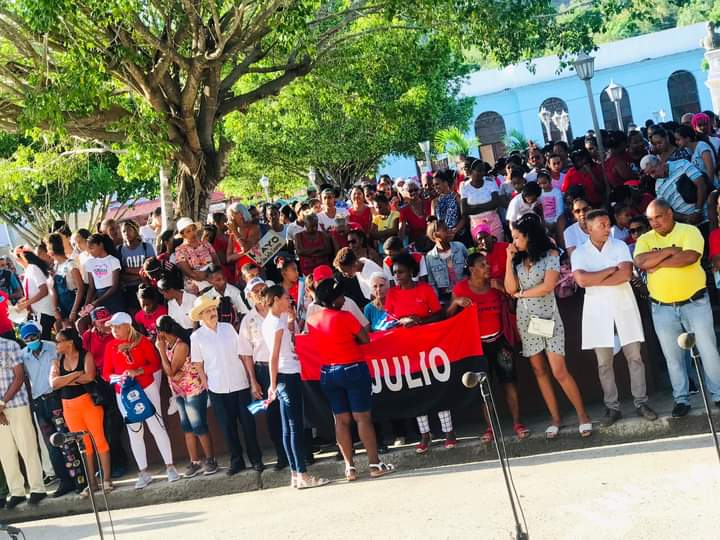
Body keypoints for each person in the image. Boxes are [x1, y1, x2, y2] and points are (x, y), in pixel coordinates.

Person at [504, 216, 592, 438]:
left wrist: (521, 294)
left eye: (517, 237)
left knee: (558, 370)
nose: (513, 241)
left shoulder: (551, 254)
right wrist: (508, 260)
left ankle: (583, 415)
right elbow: (509, 288)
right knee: (539, 370)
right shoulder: (516, 259)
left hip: (547, 318)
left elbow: (547, 286)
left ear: (529, 236)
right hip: (526, 320)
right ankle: (556, 419)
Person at [634, 199, 720, 416]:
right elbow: (641, 262)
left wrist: (658, 262)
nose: (654, 223)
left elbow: (689, 257)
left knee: (709, 351)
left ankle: (718, 394)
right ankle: (681, 399)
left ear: (670, 213)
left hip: (694, 303)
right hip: (662, 307)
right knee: (672, 357)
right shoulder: (645, 238)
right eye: (650, 219)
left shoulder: (689, 230)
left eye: (658, 217)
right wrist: (670, 251)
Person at [571, 210, 657, 427]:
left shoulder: (619, 246)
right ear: (589, 229)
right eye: (601, 225)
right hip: (597, 313)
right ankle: (612, 407)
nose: (607, 228)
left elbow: (625, 275)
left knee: (635, 357)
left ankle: (641, 402)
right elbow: (581, 280)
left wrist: (596, 278)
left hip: (623, 306)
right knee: (604, 364)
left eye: (608, 224)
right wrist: (609, 271)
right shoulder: (579, 253)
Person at [307, 279, 394, 480]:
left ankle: (350, 468)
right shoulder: (345, 317)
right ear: (334, 299)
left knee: (341, 420)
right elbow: (365, 338)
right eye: (340, 296)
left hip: (328, 372)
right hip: (353, 368)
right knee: (362, 418)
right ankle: (375, 464)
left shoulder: (312, 320)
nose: (344, 298)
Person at [448, 253, 529, 441]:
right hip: (477, 347)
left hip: (500, 341)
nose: (487, 267)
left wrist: (503, 289)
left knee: (509, 382)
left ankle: (517, 423)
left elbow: (512, 306)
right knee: (485, 388)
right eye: (482, 265)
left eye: (487, 264)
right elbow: (447, 316)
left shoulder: (495, 285)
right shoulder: (461, 288)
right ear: (471, 269)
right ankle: (491, 428)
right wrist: (456, 302)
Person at [385, 252, 455, 452]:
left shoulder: (424, 289)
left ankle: (449, 432)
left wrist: (419, 321)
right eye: (395, 272)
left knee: (437, 387)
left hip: (430, 348)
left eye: (401, 272)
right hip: (406, 353)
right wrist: (401, 322)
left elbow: (440, 314)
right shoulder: (392, 293)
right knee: (417, 393)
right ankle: (425, 436)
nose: (397, 275)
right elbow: (388, 321)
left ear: (411, 272)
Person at [260, 286, 329, 489]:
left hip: (284, 373)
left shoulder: (271, 322)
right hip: (287, 376)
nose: (289, 300)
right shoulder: (276, 323)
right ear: (275, 299)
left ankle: (295, 474)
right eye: (285, 297)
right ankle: (302, 474)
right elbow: (273, 356)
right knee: (294, 426)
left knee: (288, 426)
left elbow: (281, 351)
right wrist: (272, 385)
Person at [190, 295, 264, 474]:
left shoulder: (228, 328)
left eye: (213, 309)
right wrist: (206, 384)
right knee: (227, 426)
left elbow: (242, 353)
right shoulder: (196, 337)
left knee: (248, 424)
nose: (211, 313)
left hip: (240, 383)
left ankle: (256, 460)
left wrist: (251, 379)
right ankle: (236, 461)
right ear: (200, 316)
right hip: (217, 388)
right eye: (207, 311)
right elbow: (198, 364)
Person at [103, 312, 178, 488]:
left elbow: (154, 364)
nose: (114, 330)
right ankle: (143, 472)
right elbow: (106, 373)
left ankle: (170, 467)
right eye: (112, 327)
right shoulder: (111, 346)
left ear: (128, 326)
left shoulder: (142, 341)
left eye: (117, 326)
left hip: (146, 388)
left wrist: (138, 372)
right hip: (123, 392)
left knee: (157, 426)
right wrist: (119, 378)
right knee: (135, 432)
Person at [50, 328, 113, 496]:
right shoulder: (56, 361)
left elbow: (89, 377)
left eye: (59, 341)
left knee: (99, 439)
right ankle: (91, 483)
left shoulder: (86, 356)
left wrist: (66, 380)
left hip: (88, 403)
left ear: (69, 342)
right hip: (69, 407)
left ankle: (106, 480)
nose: (57, 345)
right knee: (83, 444)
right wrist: (77, 374)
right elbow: (54, 383)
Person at [19, 322, 78, 498]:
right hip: (39, 402)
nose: (31, 340)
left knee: (66, 438)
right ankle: (64, 481)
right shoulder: (23, 355)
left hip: (55, 398)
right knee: (51, 444)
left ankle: (78, 478)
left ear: (39, 333)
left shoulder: (52, 348)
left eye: (33, 336)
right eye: (27, 338)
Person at [156, 315, 218, 477]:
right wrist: (170, 372)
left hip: (193, 389)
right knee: (187, 428)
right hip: (179, 392)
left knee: (198, 425)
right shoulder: (169, 346)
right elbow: (169, 372)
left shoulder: (181, 346)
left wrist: (161, 351)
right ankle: (195, 461)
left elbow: (170, 371)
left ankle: (210, 459)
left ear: (162, 333)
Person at [238, 277, 288, 470]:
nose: (259, 293)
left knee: (290, 409)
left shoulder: (280, 312)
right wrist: (253, 381)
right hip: (263, 370)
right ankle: (282, 456)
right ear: (249, 296)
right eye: (254, 291)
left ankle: (303, 453)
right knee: (273, 414)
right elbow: (246, 354)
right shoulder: (247, 320)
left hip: (284, 365)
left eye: (262, 288)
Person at [0, 335, 47, 509]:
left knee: (27, 447)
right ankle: (16, 492)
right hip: (0, 410)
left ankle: (37, 488)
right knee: (5, 453)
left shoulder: (10, 345)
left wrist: (3, 403)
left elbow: (19, 377)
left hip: (17, 404)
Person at [82, 306, 128, 478]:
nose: (106, 325)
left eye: (107, 320)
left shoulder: (114, 333)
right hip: (98, 384)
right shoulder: (88, 336)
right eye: (102, 322)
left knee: (113, 428)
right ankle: (110, 465)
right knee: (101, 429)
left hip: (115, 380)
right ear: (94, 322)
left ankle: (120, 463)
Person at [640, 154, 706, 226]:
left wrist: (698, 211)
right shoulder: (658, 187)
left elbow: (701, 185)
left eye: (653, 171)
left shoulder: (682, 164)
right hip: (689, 226)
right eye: (649, 174)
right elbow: (666, 210)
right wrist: (687, 218)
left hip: (706, 214)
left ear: (660, 163)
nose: (653, 176)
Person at [14, 248, 55, 339]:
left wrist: (26, 304)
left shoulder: (33, 268)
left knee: (44, 341)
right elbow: (33, 291)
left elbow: (44, 291)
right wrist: (23, 301)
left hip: (45, 311)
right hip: (40, 312)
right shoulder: (29, 269)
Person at [424, 219, 468, 302]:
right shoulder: (430, 257)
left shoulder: (460, 247)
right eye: (445, 230)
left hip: (464, 291)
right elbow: (432, 282)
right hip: (446, 297)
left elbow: (471, 266)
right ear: (435, 235)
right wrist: (436, 301)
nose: (449, 231)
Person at [47, 233, 85, 327]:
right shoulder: (55, 268)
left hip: (74, 305)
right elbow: (53, 290)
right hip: (63, 309)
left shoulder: (70, 264)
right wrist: (55, 309)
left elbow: (80, 288)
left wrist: (74, 311)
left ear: (51, 251)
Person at [175, 217, 220, 295]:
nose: (192, 233)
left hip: (215, 279)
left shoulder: (205, 243)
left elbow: (216, 261)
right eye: (188, 231)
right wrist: (206, 275)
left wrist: (209, 274)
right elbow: (189, 273)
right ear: (182, 234)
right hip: (197, 288)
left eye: (193, 229)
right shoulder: (179, 250)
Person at [460, 158, 502, 241]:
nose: (482, 173)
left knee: (498, 246)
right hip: (476, 224)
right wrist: (488, 206)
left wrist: (474, 208)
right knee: (483, 250)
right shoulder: (464, 186)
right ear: (472, 170)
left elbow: (496, 203)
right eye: (479, 170)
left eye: (483, 170)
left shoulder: (490, 181)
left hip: (493, 221)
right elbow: (465, 210)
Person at [119, 219, 156, 312]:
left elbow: (151, 268)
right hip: (129, 289)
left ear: (135, 230)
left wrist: (129, 270)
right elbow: (121, 274)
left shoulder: (146, 247)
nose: (126, 233)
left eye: (129, 230)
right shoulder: (120, 250)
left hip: (147, 285)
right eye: (123, 231)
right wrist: (140, 273)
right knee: (135, 314)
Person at [82, 233, 123, 315]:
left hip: (113, 297)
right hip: (98, 296)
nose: (90, 251)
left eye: (92, 248)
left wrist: (97, 302)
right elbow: (91, 287)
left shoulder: (113, 260)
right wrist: (86, 304)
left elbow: (114, 286)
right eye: (88, 249)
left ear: (101, 245)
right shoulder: (90, 262)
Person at [295, 212, 333, 277]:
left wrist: (309, 253)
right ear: (305, 224)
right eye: (311, 226)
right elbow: (300, 251)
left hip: (323, 267)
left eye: (316, 225)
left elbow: (328, 250)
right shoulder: (298, 236)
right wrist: (318, 250)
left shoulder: (322, 234)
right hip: (307, 270)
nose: (314, 228)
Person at [431, 169, 463, 238]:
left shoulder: (456, 197)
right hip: (442, 237)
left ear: (445, 182)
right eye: (433, 185)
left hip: (457, 235)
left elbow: (464, 217)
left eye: (437, 184)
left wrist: (455, 230)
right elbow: (433, 222)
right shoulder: (434, 202)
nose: (435, 187)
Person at [399, 180, 430, 244]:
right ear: (404, 193)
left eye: (416, 190)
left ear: (419, 190)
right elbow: (401, 230)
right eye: (410, 191)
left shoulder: (429, 203)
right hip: (417, 241)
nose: (413, 192)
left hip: (432, 237)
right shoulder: (404, 210)